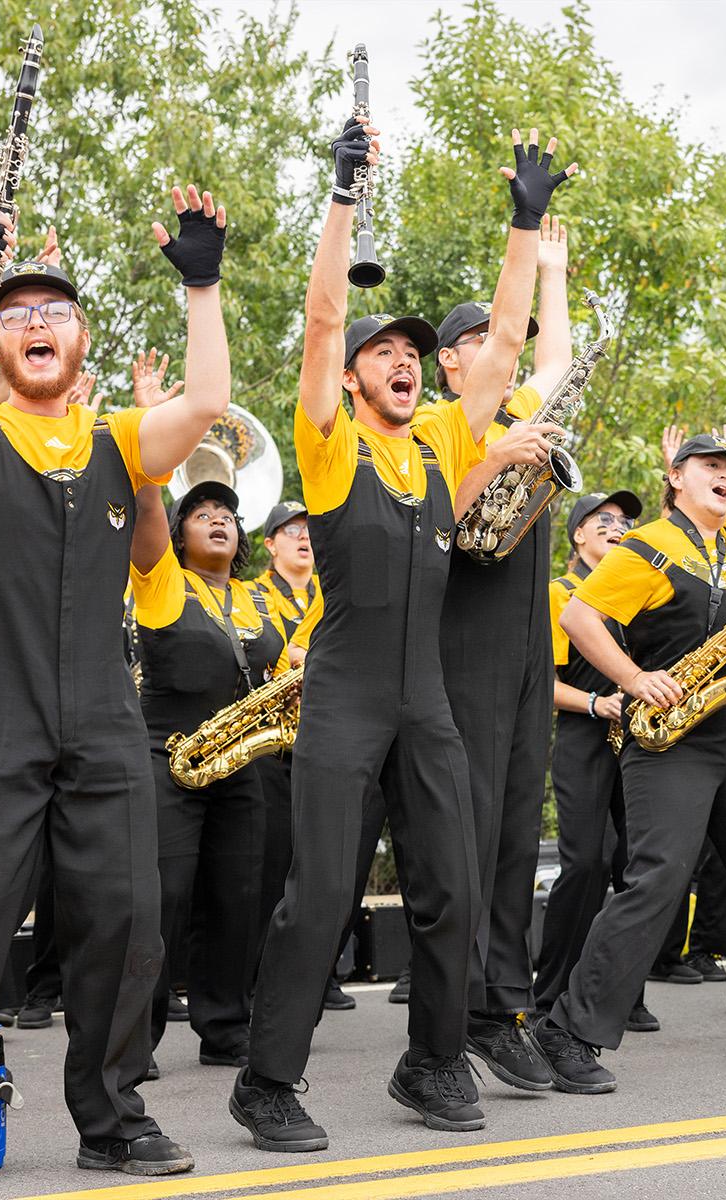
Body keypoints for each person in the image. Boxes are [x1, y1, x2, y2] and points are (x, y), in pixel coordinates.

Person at [0, 181, 231, 1200]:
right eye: (19, 313)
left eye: (57, 313)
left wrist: (202, 287)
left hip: (105, 725)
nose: (38, 325)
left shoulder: (120, 441)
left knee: (126, 928)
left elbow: (204, 403)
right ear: (0, 339)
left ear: (81, 343)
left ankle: (113, 1119)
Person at [234, 123, 574, 1149]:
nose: (403, 366)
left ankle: (431, 1061)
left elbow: (509, 343)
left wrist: (523, 227)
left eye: (412, 357)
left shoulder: (437, 443)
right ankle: (265, 1082)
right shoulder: (329, 449)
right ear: (348, 380)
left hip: (424, 697)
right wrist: (343, 197)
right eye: (382, 356)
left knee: (454, 887)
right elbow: (323, 312)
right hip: (343, 693)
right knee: (325, 891)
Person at [537, 384, 726, 1093]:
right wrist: (635, 677)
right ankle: (565, 1031)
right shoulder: (648, 547)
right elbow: (580, 618)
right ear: (676, 477)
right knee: (656, 881)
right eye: (710, 463)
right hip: (673, 746)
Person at [430, 216, 576, 1091]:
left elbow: (551, 364)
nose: (499, 349)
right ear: (453, 360)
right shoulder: (450, 421)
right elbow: (434, 512)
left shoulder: (520, 409)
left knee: (520, 828)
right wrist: (495, 452)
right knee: (473, 832)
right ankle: (455, 1016)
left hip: (527, 643)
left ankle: (502, 1009)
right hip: (467, 635)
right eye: (480, 339)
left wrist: (552, 271)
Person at [129, 423, 290, 1066]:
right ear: (179, 531)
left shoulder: (259, 599)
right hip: (169, 758)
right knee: (164, 899)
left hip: (241, 760)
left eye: (227, 513)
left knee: (237, 895)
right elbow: (144, 506)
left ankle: (224, 1026)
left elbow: (285, 667)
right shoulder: (161, 580)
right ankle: (135, 1039)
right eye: (202, 512)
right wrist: (150, 444)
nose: (218, 519)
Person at [532, 488, 657, 1032]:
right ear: (577, 534)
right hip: (586, 736)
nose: (616, 526)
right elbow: (541, 683)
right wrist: (593, 702)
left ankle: (619, 992)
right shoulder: (560, 592)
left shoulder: (636, 590)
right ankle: (550, 991)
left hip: (640, 738)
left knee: (635, 866)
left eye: (625, 521)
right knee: (584, 864)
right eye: (601, 520)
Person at [246, 497, 351, 1007]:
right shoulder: (253, 596)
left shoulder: (334, 592)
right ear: (269, 544)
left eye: (310, 529)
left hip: (328, 731)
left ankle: (317, 973)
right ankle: (260, 974)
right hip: (274, 741)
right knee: (271, 862)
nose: (303, 537)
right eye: (290, 531)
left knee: (319, 857)